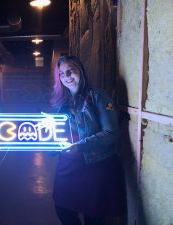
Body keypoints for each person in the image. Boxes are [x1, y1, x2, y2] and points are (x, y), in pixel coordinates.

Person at [50, 55, 124, 225]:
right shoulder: (61, 102)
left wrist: (80, 146)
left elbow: (111, 132)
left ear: (80, 71)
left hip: (95, 165)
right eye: (62, 73)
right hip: (67, 166)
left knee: (93, 216)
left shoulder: (98, 96)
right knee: (63, 210)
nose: (67, 76)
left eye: (71, 70)